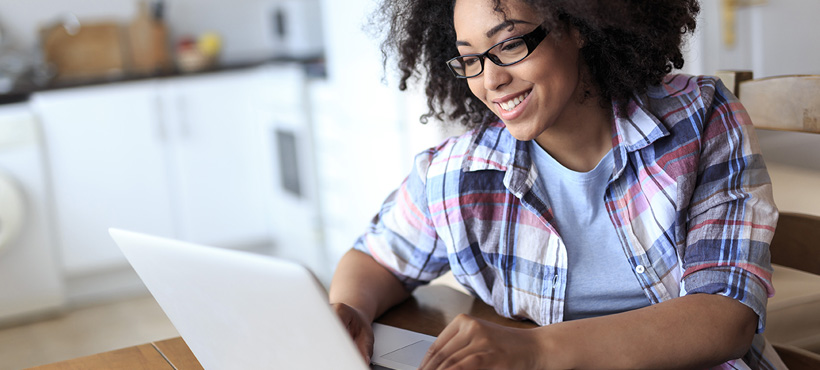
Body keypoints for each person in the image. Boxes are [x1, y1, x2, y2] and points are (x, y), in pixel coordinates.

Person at [329, 0, 783, 368]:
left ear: (578, 24)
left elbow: (726, 317)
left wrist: (534, 351)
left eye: (510, 45)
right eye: (469, 59)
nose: (491, 80)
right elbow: (375, 258)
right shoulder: (459, 172)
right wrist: (349, 314)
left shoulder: (699, 119)